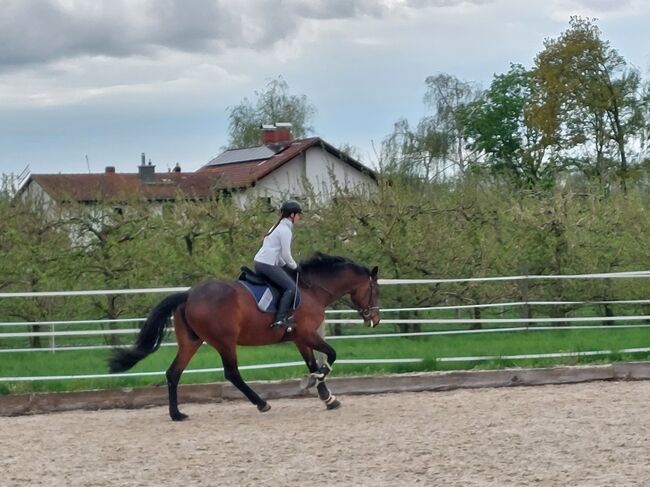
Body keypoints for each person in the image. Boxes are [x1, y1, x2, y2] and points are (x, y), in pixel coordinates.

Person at [253, 200, 302, 329]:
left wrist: (285, 265)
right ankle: (280, 320)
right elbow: (286, 254)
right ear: (292, 215)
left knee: (282, 284)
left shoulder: (277, 226)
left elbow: (278, 254)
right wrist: (295, 267)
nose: (299, 217)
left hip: (260, 262)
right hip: (266, 264)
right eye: (298, 214)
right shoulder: (285, 230)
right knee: (291, 288)